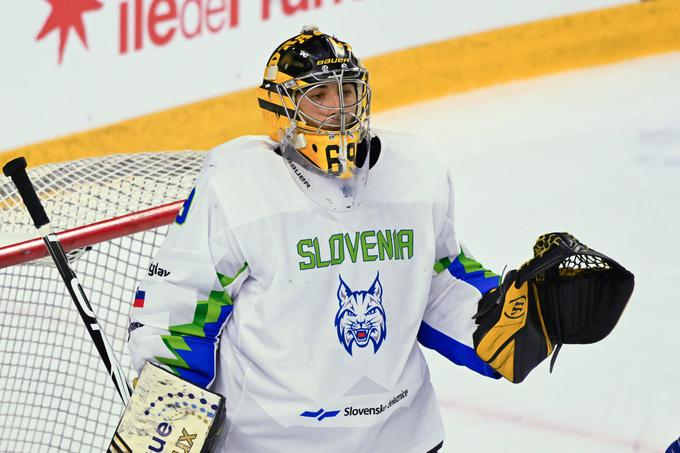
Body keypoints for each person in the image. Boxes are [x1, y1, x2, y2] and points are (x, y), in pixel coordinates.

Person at [127, 26, 633, 452]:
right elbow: (180, 310)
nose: (339, 108)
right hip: (272, 443)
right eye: (318, 95)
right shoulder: (238, 185)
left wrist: (508, 319)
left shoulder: (415, 172)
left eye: (347, 92)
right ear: (281, 108)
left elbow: (438, 277)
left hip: (402, 436)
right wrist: (165, 429)